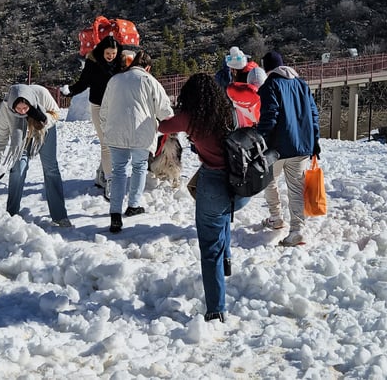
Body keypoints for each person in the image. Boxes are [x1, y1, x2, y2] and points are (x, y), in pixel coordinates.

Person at [158, 73, 253, 322]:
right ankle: (227, 261)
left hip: (213, 183)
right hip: (240, 183)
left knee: (209, 246)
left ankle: (215, 309)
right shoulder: (230, 111)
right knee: (223, 218)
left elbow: (163, 126)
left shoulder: (191, 119)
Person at [98, 50, 173, 233]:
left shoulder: (115, 80)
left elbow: (104, 110)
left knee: (119, 171)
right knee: (139, 166)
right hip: (142, 133)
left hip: (116, 132)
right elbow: (165, 112)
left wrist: (107, 126)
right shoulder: (150, 81)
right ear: (147, 67)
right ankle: (133, 205)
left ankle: (115, 213)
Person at [256, 51, 321, 247]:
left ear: (267, 68)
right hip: (302, 146)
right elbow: (313, 114)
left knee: (268, 181)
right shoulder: (302, 84)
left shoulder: (270, 85)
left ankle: (276, 218)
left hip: (277, 148)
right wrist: (314, 141)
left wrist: (259, 140)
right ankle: (297, 230)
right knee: (296, 189)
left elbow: (270, 116)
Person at [0, 85, 71, 227]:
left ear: (30, 104)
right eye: (18, 109)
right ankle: (11, 213)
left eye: (25, 109)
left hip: (44, 129)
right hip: (20, 134)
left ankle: (60, 216)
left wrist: (42, 116)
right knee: (18, 169)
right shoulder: (5, 108)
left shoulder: (42, 93)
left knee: (51, 168)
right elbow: (0, 135)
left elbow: (56, 114)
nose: (22, 112)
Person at [60, 36, 121, 191]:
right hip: (98, 107)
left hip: (116, 108)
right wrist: (70, 91)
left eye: (113, 53)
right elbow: (83, 82)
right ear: (102, 51)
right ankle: (109, 181)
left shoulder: (120, 63)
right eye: (108, 53)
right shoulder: (93, 63)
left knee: (113, 145)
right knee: (106, 144)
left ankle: (101, 175)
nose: (111, 56)